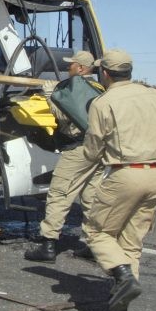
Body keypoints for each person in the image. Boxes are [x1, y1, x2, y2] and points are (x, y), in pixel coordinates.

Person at [81, 49, 156, 311]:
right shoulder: (153, 94)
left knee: (97, 232)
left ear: (106, 73)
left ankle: (123, 276)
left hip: (125, 175)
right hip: (154, 176)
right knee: (130, 244)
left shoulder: (103, 102)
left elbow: (93, 147)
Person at [25, 51, 105, 263]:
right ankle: (94, 245)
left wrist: (50, 95)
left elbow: (64, 116)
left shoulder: (76, 88)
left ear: (80, 69)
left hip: (78, 149)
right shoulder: (99, 88)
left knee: (59, 194)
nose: (67, 68)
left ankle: (48, 244)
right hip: (98, 149)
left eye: (71, 66)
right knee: (91, 197)